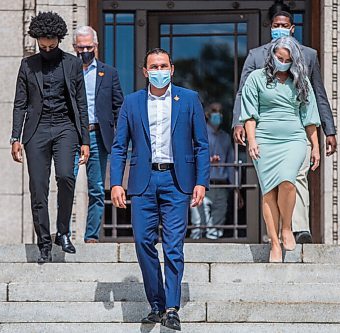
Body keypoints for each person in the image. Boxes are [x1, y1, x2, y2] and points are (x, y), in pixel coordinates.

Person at [110, 48, 209, 330]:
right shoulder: (132, 103)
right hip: (143, 182)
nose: (159, 70)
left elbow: (202, 145)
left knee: (173, 246)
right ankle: (156, 302)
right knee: (143, 243)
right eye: (154, 66)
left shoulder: (188, 99)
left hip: (177, 182)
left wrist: (201, 181)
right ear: (145, 71)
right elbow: (119, 147)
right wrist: (117, 182)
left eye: (163, 65)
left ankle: (171, 307)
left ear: (172, 69)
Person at [232, 2, 337, 244]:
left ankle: (298, 229)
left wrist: (328, 130)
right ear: (271, 27)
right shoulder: (256, 55)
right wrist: (240, 122)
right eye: (276, 25)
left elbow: (317, 94)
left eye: (284, 25)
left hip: (295, 131)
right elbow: (243, 93)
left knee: (294, 176)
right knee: (272, 184)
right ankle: (276, 233)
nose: (279, 29)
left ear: (292, 28)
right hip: (266, 131)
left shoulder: (308, 55)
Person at [10, 12, 89, 263]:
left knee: (66, 176)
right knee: (38, 187)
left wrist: (85, 139)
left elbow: (81, 103)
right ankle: (44, 242)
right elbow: (19, 104)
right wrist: (15, 137)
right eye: (42, 45)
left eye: (51, 45)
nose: (46, 49)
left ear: (59, 40)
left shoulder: (73, 64)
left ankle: (63, 232)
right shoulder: (27, 65)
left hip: (65, 127)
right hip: (37, 130)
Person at [240, 36, 321, 263]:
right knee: (269, 191)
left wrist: (315, 146)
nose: (282, 62)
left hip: (294, 139)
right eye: (279, 57)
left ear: (294, 60)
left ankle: (287, 227)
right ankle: (274, 242)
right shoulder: (256, 79)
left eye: (287, 59)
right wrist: (252, 141)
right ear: (272, 55)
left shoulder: (301, 81)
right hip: (265, 139)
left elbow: (310, 117)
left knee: (287, 181)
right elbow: (249, 113)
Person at [72, 26, 123, 243]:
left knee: (97, 188)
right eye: (81, 47)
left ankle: (91, 236)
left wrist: (121, 133)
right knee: (66, 183)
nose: (85, 50)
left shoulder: (109, 73)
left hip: (97, 136)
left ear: (96, 47)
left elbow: (118, 105)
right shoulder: (67, 70)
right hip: (71, 135)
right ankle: (63, 232)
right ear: (74, 47)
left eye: (88, 47)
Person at [190, 103, 234, 239]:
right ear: (207, 114)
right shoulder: (198, 134)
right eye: (214, 111)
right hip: (201, 184)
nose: (218, 115)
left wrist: (235, 188)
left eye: (220, 112)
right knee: (198, 223)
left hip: (221, 185)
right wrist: (208, 161)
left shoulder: (225, 137)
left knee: (216, 225)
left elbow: (231, 164)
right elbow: (190, 158)